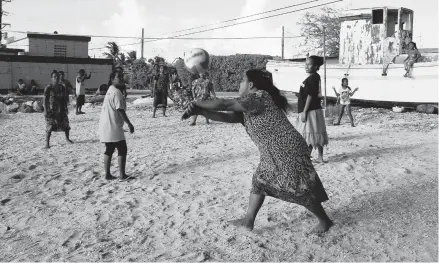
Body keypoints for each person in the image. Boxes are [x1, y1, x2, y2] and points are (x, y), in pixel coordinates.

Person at [181, 69, 333, 234]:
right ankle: (248, 221)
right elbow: (228, 117)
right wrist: (201, 111)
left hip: (287, 149)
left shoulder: (258, 97)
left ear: (251, 84)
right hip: (274, 152)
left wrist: (197, 103)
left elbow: (225, 104)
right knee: (259, 182)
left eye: (242, 81)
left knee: (299, 188)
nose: (240, 84)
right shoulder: (249, 104)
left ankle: (325, 221)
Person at [98, 70, 135, 180]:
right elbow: (120, 110)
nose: (121, 78)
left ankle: (107, 174)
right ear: (112, 79)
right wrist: (129, 124)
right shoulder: (116, 92)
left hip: (106, 124)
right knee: (122, 148)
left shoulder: (110, 90)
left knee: (109, 148)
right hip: (112, 125)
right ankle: (122, 175)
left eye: (122, 76)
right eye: (119, 77)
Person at [295, 55, 328, 163]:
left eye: (309, 64)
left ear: (316, 66)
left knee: (309, 134)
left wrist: (304, 111)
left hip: (310, 110)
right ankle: (319, 157)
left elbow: (310, 95)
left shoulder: (313, 78)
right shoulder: (313, 77)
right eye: (306, 64)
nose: (306, 66)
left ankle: (307, 157)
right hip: (313, 109)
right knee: (315, 133)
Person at [43, 70, 73, 148]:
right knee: (50, 126)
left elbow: (64, 98)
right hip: (51, 110)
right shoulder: (48, 87)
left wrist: (66, 108)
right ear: (51, 78)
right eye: (54, 77)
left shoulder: (62, 87)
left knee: (66, 124)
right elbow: (45, 100)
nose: (56, 78)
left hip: (61, 109)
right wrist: (45, 110)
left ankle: (67, 139)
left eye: (58, 76)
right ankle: (47, 143)